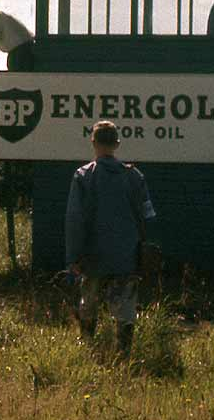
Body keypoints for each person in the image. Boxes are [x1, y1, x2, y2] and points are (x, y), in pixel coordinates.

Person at [65, 120, 157, 357]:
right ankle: (124, 353)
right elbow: (148, 215)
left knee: (89, 302)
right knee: (125, 306)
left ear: (93, 143)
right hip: (127, 253)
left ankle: (88, 348)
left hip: (93, 254)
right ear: (117, 144)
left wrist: (73, 257)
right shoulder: (134, 176)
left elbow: (75, 220)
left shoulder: (83, 176)